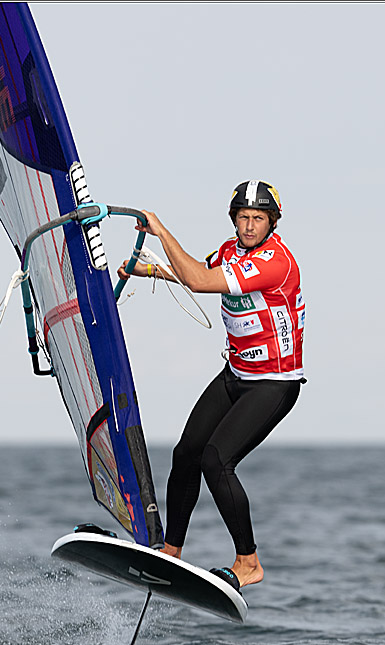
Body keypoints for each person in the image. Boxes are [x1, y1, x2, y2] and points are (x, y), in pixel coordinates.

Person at [116, 180, 305, 590]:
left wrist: (161, 232)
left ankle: (248, 562)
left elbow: (200, 283)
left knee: (216, 461)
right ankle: (171, 550)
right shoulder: (229, 250)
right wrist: (148, 270)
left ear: (272, 222)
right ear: (234, 219)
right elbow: (198, 273)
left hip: (273, 385)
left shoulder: (276, 262)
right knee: (186, 454)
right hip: (235, 376)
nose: (250, 225)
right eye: (243, 217)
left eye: (258, 218)